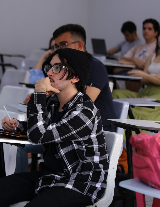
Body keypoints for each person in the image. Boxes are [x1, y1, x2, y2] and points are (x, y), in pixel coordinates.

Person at [0, 48, 109, 207]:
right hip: (49, 176)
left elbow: (39, 135)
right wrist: (16, 126)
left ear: (76, 77)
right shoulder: (53, 103)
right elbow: (40, 129)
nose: (49, 73)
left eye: (57, 68)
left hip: (81, 182)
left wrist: (39, 94)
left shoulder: (85, 112)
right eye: (49, 67)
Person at [16, 24, 116, 173]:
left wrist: (40, 96)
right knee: (25, 142)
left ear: (80, 45)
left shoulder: (95, 67)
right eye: (56, 46)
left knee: (32, 142)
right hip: (62, 127)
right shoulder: (59, 67)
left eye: (63, 44)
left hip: (91, 131)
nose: (59, 50)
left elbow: (82, 100)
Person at [112, 25, 160, 122]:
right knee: (116, 94)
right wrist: (154, 78)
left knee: (135, 109)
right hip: (145, 91)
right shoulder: (152, 56)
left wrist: (147, 76)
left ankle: (127, 133)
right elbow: (143, 81)